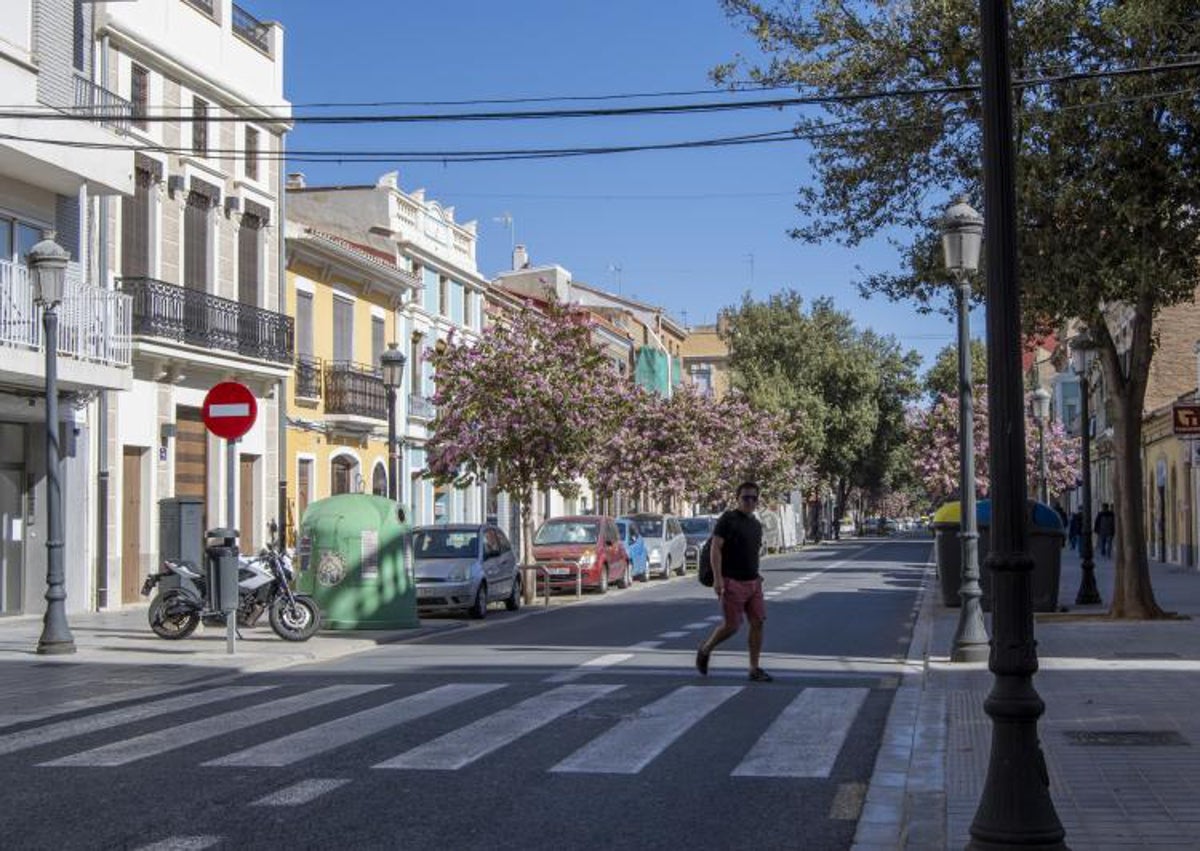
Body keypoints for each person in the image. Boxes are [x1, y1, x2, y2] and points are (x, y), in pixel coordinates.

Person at [695, 481, 771, 682]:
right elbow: (716, 548)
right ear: (737, 498)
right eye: (746, 497)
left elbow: (751, 552)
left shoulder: (755, 524)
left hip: (753, 582)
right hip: (732, 582)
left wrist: (757, 574)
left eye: (754, 498)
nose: (750, 502)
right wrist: (718, 579)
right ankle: (705, 649)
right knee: (732, 626)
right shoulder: (728, 519)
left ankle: (754, 669)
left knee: (758, 622)